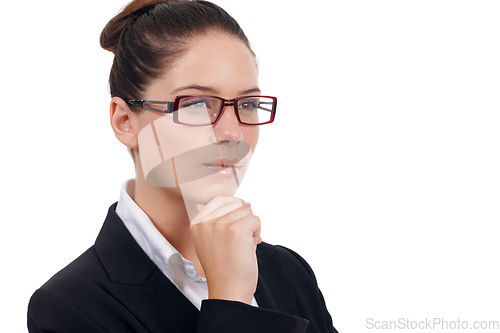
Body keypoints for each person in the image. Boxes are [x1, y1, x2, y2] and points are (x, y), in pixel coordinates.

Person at [27, 0, 338, 332]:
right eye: (197, 103)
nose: (232, 132)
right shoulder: (69, 306)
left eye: (247, 103)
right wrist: (231, 301)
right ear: (124, 122)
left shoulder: (288, 272)